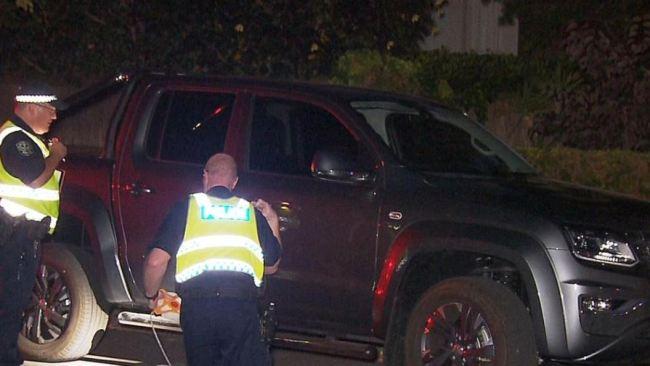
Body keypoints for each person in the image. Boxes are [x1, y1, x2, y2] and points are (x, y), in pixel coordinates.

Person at [143, 153, 282, 366]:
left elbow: (155, 262)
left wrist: (151, 294)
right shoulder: (250, 213)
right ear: (234, 182)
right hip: (240, 309)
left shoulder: (187, 208)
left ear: (205, 176)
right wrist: (272, 220)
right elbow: (272, 266)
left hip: (198, 311)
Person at [0, 82, 67, 366]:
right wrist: (56, 156)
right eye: (50, 110)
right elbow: (35, 178)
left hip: (22, 235)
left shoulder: (27, 139)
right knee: (9, 306)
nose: (54, 116)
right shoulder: (16, 139)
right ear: (31, 107)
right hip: (15, 234)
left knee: (13, 305)